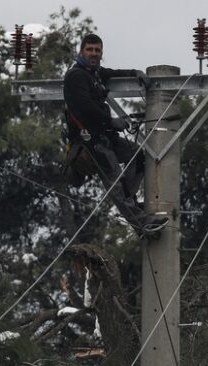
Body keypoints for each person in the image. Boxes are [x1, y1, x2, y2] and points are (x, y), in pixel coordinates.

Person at [63, 33, 168, 236]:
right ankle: (141, 224)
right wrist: (111, 121)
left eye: (97, 50)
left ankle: (130, 204)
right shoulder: (76, 76)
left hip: (106, 137)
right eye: (89, 50)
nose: (94, 54)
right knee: (115, 182)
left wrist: (134, 72)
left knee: (138, 157)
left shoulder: (94, 73)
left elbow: (113, 72)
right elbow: (84, 108)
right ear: (81, 51)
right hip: (91, 141)